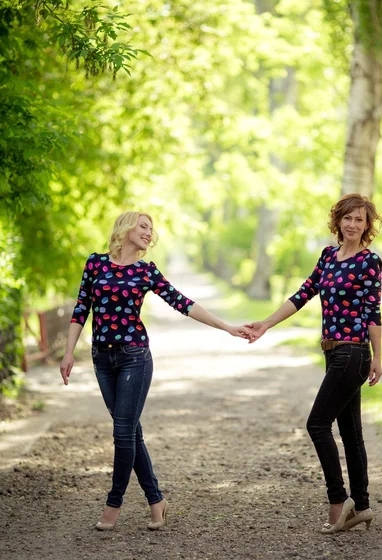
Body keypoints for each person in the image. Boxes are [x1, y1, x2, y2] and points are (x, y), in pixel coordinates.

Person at [60, 211, 251, 531]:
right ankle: (156, 499)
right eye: (143, 226)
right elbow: (82, 308)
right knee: (130, 432)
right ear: (125, 227)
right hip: (102, 359)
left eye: (152, 229)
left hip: (135, 357)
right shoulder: (96, 263)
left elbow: (183, 303)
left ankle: (113, 505)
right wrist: (68, 353)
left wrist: (227, 327)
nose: (149, 233)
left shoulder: (146, 271)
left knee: (122, 433)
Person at [246, 194, 382, 533]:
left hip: (353, 353)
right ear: (337, 221)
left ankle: (338, 502)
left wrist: (377, 357)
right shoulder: (328, 257)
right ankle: (361, 506)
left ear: (367, 226)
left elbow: (373, 313)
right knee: (351, 433)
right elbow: (302, 294)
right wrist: (266, 323)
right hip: (333, 352)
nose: (352, 224)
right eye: (347, 218)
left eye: (359, 220)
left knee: (317, 424)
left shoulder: (370, 262)